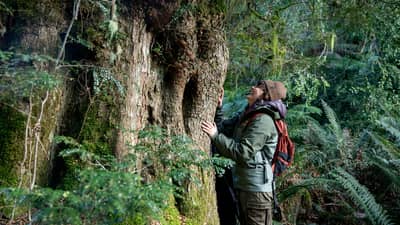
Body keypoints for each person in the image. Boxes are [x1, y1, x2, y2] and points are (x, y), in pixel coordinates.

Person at [201, 80, 287, 225]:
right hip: (245, 187)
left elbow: (243, 153)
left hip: (256, 193)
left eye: (259, 87)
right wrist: (218, 109)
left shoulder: (263, 120)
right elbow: (225, 129)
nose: (253, 87)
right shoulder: (249, 113)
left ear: (266, 95)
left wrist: (215, 136)